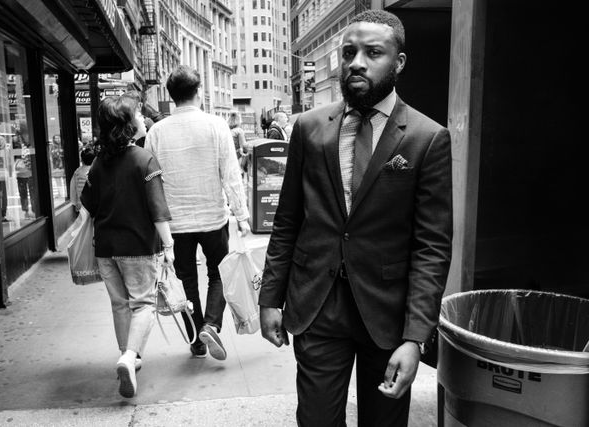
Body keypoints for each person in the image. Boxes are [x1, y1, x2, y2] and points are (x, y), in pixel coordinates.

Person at [258, 9, 453, 426]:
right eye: (349, 52)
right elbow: (288, 219)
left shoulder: (426, 138)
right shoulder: (309, 128)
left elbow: (432, 245)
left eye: (372, 52)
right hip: (317, 306)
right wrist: (270, 298)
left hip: (387, 315)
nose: (357, 62)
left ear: (398, 62)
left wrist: (416, 338)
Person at [145, 65, 251, 361]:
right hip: (212, 218)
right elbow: (230, 174)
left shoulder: (156, 132)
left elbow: (151, 180)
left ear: (171, 96)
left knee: (187, 279)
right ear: (198, 92)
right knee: (219, 273)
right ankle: (211, 324)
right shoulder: (216, 125)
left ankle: (196, 340)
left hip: (175, 222)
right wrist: (241, 216)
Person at [81, 94, 175, 399]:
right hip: (139, 246)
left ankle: (128, 357)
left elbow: (87, 207)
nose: (141, 118)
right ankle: (129, 355)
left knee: (120, 304)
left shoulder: (98, 162)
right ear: (127, 124)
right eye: (137, 113)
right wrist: (170, 246)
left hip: (106, 247)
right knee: (144, 304)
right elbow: (158, 209)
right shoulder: (144, 160)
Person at [69, 145, 95, 213]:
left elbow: (72, 186)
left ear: (82, 159)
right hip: (93, 203)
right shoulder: (94, 171)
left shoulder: (77, 171)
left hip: (80, 202)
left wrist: (75, 201)